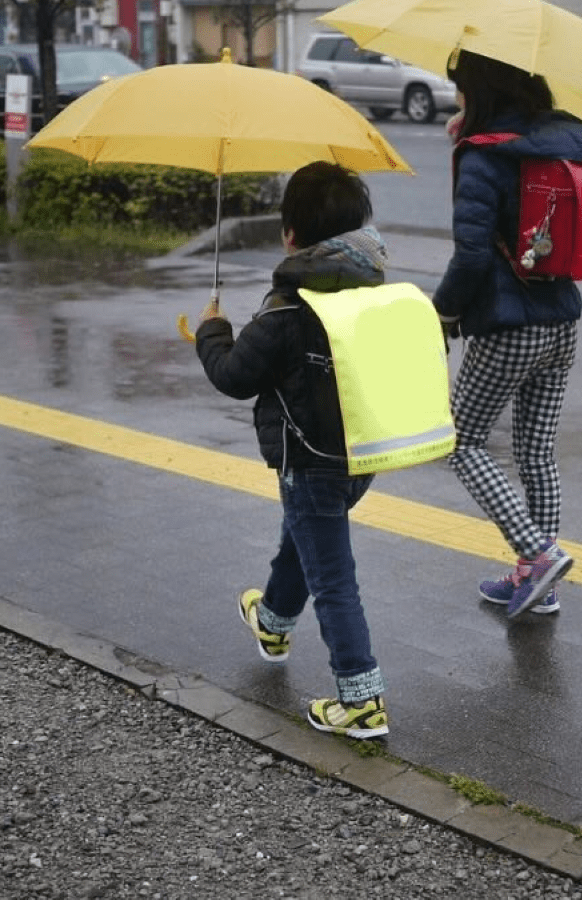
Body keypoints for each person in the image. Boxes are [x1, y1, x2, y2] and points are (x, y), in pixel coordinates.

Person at [194, 162, 389, 739]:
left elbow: (233, 374)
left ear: (290, 237)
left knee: (333, 577)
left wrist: (212, 331)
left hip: (309, 462)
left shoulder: (284, 310)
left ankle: (362, 699)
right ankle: (274, 621)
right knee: (306, 539)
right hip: (361, 457)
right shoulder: (372, 293)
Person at [433, 50, 582, 619]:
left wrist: (442, 316)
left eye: (459, 87)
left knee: (461, 442)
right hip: (562, 320)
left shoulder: (485, 157)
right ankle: (540, 586)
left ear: (479, 91)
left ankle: (537, 555)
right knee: (537, 452)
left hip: (509, 328)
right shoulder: (561, 140)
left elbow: (471, 256)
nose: (455, 97)